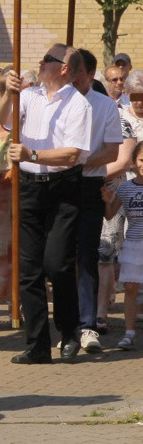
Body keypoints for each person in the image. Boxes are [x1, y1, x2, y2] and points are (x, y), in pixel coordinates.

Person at [0, 44, 92, 364]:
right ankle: (37, 343)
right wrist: (10, 94)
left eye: (47, 60)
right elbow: (1, 120)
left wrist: (31, 154)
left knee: (57, 264)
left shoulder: (78, 104)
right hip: (29, 186)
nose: (40, 63)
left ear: (64, 68)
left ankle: (69, 329)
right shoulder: (30, 95)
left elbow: (72, 154)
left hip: (63, 188)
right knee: (28, 268)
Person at [73, 49, 122, 353]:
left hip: (88, 182)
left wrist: (77, 161)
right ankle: (68, 324)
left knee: (87, 256)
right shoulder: (51, 102)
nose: (69, 76)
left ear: (90, 74)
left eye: (76, 71)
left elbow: (113, 151)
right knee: (56, 259)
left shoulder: (103, 105)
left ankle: (88, 324)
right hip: (54, 184)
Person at [102, 141, 143, 350]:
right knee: (130, 288)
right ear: (134, 163)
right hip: (133, 244)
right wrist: (106, 200)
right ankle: (129, 333)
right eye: (142, 160)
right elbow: (110, 215)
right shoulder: (125, 188)